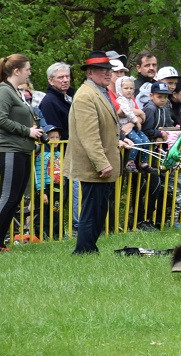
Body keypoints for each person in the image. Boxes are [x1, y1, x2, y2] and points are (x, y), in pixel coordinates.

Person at [65, 51, 131, 254]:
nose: (108, 73)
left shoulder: (98, 92)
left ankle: (88, 248)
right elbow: (89, 135)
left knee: (98, 208)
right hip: (92, 165)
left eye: (109, 70)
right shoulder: (86, 96)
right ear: (90, 72)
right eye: (103, 70)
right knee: (92, 209)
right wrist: (101, 163)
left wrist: (118, 140)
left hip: (99, 162)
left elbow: (103, 128)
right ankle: (84, 250)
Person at [0, 54, 46, 251]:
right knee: (7, 197)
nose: (29, 73)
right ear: (16, 71)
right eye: (27, 69)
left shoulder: (16, 92)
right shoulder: (3, 91)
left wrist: (32, 132)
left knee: (14, 198)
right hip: (10, 151)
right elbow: (0, 120)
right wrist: (28, 131)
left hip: (22, 150)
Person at [40, 62, 73, 140]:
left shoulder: (71, 98)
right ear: (51, 81)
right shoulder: (49, 102)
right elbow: (54, 133)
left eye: (67, 76)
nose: (65, 80)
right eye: (60, 77)